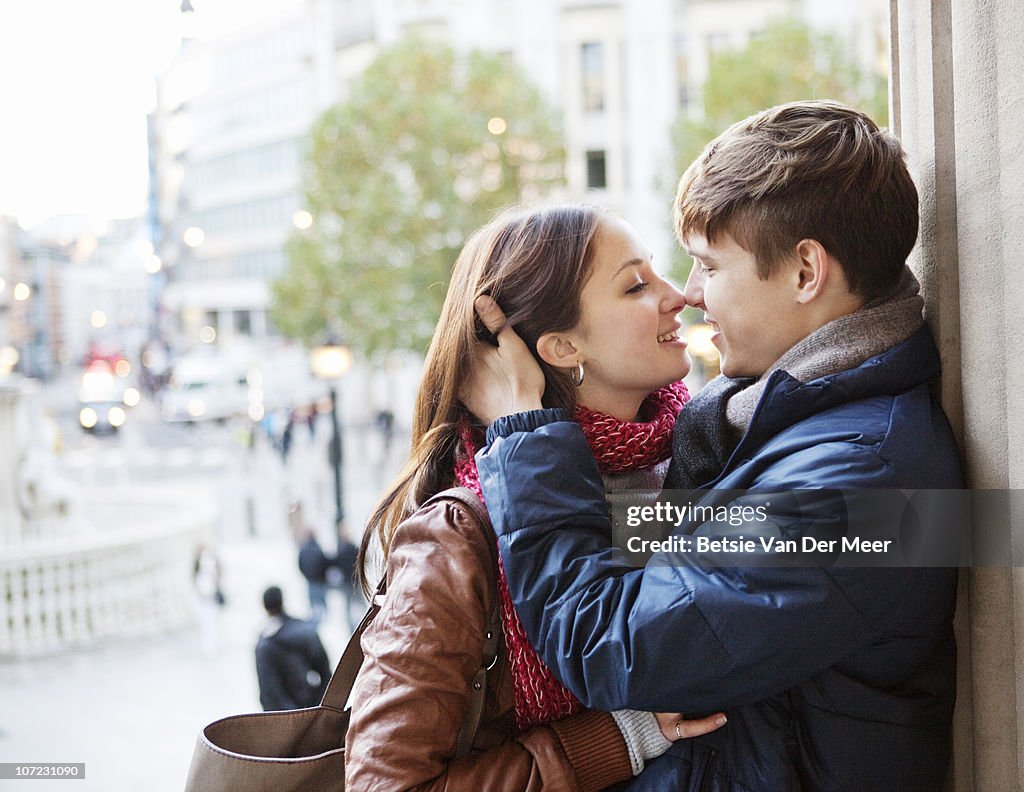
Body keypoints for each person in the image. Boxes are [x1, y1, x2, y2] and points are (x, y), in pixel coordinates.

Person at [466, 101, 964, 791]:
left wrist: (525, 432)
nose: (692, 293)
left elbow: (609, 642)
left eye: (710, 266)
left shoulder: (860, 480)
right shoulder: (786, 423)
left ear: (805, 272)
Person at [345, 205, 726, 791]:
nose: (679, 296)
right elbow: (385, 784)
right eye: (635, 285)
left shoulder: (693, 457)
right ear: (562, 347)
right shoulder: (456, 536)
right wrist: (618, 737)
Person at [254, 585, 331, 712]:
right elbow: (326, 673)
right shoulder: (305, 630)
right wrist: (318, 706)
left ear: (265, 607)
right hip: (310, 705)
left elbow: (268, 692)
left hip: (284, 717)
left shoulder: (265, 644)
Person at [296, 526, 330, 626]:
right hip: (320, 581)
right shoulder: (318, 548)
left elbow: (300, 564)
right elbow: (325, 563)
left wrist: (307, 576)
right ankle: (317, 624)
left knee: (314, 605)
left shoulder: (304, 549)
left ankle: (315, 623)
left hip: (311, 581)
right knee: (321, 605)